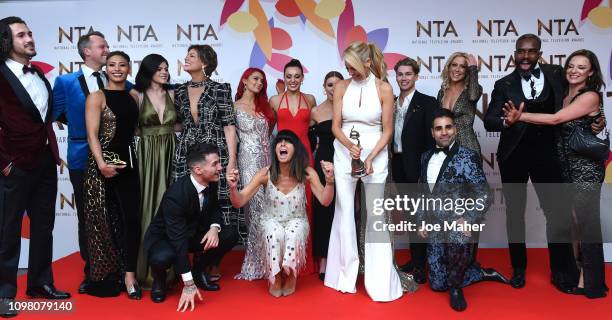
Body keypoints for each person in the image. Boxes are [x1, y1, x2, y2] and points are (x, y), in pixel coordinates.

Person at [484, 34, 607, 292]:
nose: (526, 56)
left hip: (550, 155)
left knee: (558, 215)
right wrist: (507, 121)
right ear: (514, 52)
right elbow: (490, 121)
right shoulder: (503, 83)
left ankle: (561, 271)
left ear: (540, 52)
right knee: (514, 215)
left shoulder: (557, 74)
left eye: (531, 51)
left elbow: (579, 100)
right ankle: (518, 268)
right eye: (521, 51)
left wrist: (598, 120)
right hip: (513, 156)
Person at [324, 41, 417, 302]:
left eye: (353, 67)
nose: (349, 72)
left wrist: (370, 156)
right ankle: (344, 276)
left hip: (375, 156)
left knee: (376, 216)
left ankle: (379, 283)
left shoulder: (384, 88)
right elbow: (335, 126)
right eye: (346, 67)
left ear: (366, 62)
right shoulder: (342, 86)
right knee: (344, 213)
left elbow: (387, 130)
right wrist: (350, 147)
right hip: (344, 153)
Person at [0, 16, 70, 318]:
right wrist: (4, 164)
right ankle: (4, 295)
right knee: (7, 231)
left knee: (44, 227)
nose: (29, 38)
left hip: (43, 163)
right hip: (13, 166)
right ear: (6, 42)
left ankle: (40, 284)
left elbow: (44, 119)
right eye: (21, 35)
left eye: (29, 33)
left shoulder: (40, 76)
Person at [417, 108, 508, 312]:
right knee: (437, 284)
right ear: (432, 132)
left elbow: (485, 194)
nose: (444, 132)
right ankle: (478, 273)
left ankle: (457, 288)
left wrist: (468, 218)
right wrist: (421, 219)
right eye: (439, 128)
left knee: (452, 275)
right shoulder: (425, 157)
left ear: (455, 129)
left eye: (448, 127)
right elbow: (422, 191)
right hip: (434, 223)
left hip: (458, 222)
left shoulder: (468, 157)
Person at [227, 130, 335, 297]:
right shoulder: (265, 173)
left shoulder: (307, 173)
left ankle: (291, 275)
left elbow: (325, 200)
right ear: (275, 149)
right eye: (279, 141)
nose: (283, 144)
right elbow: (239, 201)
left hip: (297, 219)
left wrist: (329, 182)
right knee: (274, 233)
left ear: (296, 149)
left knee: (293, 232)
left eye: (288, 141)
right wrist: (233, 188)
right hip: (271, 220)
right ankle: (276, 277)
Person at [143, 143, 239, 308]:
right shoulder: (176, 196)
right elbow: (178, 241)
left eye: (219, 163)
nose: (220, 167)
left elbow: (215, 207)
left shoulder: (211, 180)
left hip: (192, 232)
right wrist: (188, 285)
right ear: (198, 169)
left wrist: (214, 228)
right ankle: (159, 280)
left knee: (230, 234)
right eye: (215, 164)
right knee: (162, 257)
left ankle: (199, 270)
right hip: (167, 238)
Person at [172, 45, 238, 279]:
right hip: (187, 153)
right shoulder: (178, 91)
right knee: (187, 202)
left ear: (205, 62)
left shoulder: (220, 89)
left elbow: (230, 126)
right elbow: (178, 124)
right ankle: (187, 260)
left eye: (191, 56)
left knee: (218, 204)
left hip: (215, 152)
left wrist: (230, 162)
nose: (186, 59)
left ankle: (211, 258)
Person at [52, 31, 109, 294]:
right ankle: (92, 272)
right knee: (87, 216)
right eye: (102, 46)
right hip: (80, 154)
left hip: (114, 156)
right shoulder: (65, 81)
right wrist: (80, 126)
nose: (107, 49)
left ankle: (116, 267)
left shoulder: (117, 78)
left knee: (113, 212)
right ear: (87, 51)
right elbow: (55, 112)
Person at [83, 50, 141, 298]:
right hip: (101, 168)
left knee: (131, 220)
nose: (117, 69)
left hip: (128, 165)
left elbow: (135, 131)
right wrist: (101, 164)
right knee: (102, 223)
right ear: (105, 68)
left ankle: (129, 276)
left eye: (122, 65)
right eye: (112, 65)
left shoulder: (134, 96)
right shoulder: (96, 97)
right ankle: (107, 274)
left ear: (129, 69)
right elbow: (92, 135)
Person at [391, 57, 438, 283]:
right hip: (397, 166)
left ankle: (422, 265)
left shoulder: (427, 103)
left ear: (416, 76)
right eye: (400, 74)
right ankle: (416, 259)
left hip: (418, 168)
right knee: (411, 215)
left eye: (408, 74)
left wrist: (426, 171)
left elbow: (433, 142)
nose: (404, 78)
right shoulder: (389, 102)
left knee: (422, 216)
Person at [133, 53, 177, 287]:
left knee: (172, 208)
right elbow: (132, 129)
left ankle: (170, 271)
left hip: (171, 152)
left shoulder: (172, 93)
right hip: (148, 157)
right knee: (148, 206)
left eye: (166, 68)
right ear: (149, 70)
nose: (165, 72)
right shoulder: (136, 95)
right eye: (159, 68)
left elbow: (180, 124)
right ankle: (146, 271)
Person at [269, 59, 317, 274]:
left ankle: (303, 259)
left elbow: (316, 124)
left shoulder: (311, 99)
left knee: (306, 206)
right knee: (285, 206)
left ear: (302, 78)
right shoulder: (275, 100)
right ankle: (281, 260)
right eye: (289, 76)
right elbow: (267, 129)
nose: (293, 80)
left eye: (297, 76)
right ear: (284, 77)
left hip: (305, 156)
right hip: (283, 157)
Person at [234, 67, 275, 280]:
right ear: (245, 80)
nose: (259, 83)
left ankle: (270, 261)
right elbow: (232, 138)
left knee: (269, 208)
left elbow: (267, 135)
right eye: (255, 79)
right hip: (248, 162)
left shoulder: (264, 107)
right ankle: (254, 262)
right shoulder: (234, 107)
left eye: (262, 81)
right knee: (255, 209)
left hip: (267, 162)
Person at [310, 71, 343, 281]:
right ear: (324, 87)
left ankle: (342, 258)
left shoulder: (350, 108)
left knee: (345, 208)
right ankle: (323, 259)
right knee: (324, 210)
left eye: (337, 84)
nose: (333, 88)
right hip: (324, 162)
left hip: (347, 160)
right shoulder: (316, 111)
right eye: (330, 85)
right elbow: (306, 137)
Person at [437, 52, 482, 155]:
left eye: (462, 67)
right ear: (448, 67)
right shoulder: (442, 92)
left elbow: (473, 96)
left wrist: (473, 69)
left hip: (467, 147)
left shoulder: (472, 90)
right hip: (445, 147)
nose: (457, 69)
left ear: (467, 71)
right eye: (454, 65)